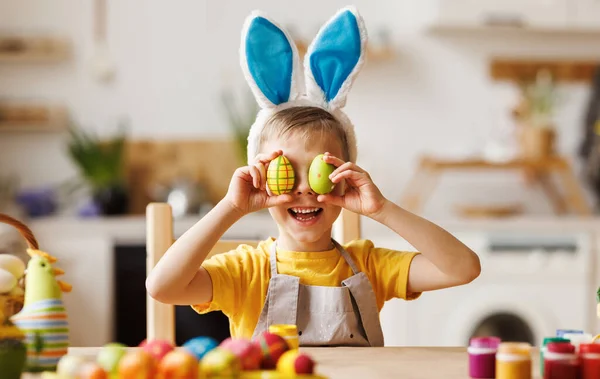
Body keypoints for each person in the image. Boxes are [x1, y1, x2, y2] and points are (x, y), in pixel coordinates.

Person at [146, 6, 481, 347]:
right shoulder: (248, 270)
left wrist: (382, 210)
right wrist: (231, 207)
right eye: (287, 172)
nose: (305, 187)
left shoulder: (368, 266)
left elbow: (463, 268)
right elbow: (162, 287)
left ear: (345, 176)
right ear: (260, 177)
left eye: (321, 169)